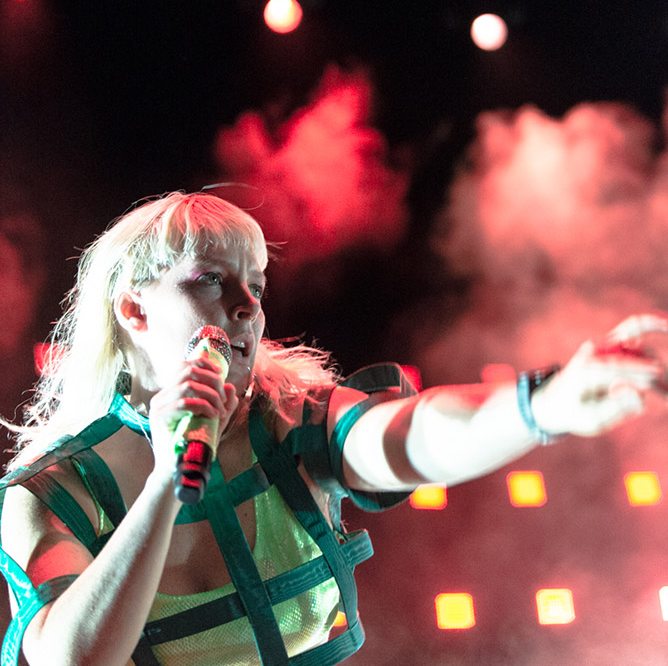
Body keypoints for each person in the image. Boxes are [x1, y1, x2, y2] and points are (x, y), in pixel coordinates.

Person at [0, 190, 664, 666]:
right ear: (134, 311)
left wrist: (543, 406)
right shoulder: (52, 491)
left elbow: (414, 436)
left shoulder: (293, 421)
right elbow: (72, 656)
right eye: (209, 280)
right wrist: (165, 485)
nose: (245, 307)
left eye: (256, 286)